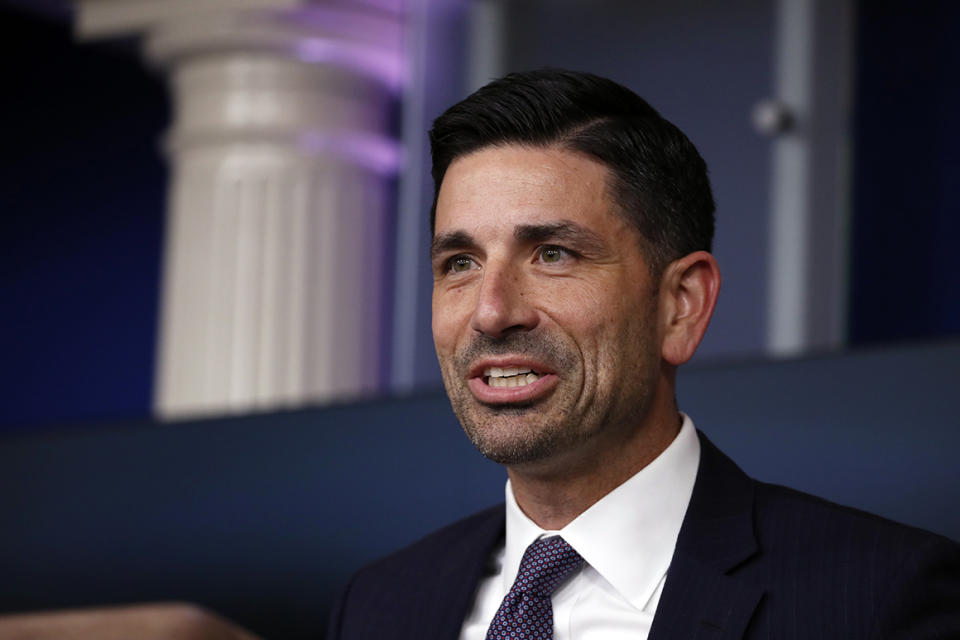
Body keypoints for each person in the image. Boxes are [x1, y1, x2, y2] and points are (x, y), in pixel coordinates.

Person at [327, 69, 960, 639]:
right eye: (460, 263)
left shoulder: (880, 602)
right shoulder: (379, 606)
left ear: (680, 305)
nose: (491, 311)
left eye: (553, 254)